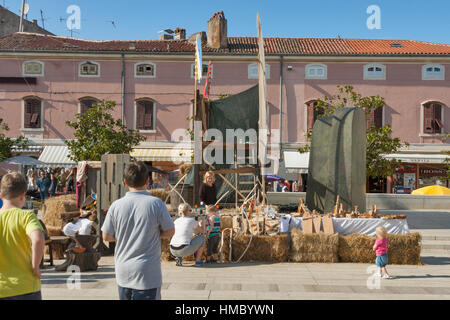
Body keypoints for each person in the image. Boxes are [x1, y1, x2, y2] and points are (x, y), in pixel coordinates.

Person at [101, 162, 175, 300]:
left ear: (124, 182)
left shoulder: (115, 206)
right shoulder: (156, 203)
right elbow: (170, 231)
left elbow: (106, 236)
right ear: (148, 181)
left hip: (123, 271)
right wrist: (153, 234)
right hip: (147, 273)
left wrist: (123, 235)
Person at [0, 172, 45, 300]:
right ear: (23, 196)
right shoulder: (26, 216)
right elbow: (38, 239)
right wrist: (35, 266)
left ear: (1, 196)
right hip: (26, 287)